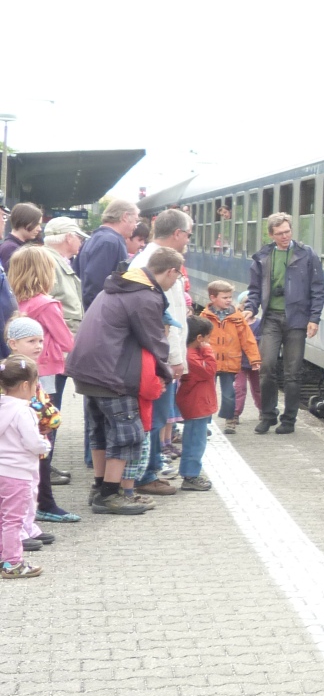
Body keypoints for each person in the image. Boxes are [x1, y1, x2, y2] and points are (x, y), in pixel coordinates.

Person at [64, 249, 183, 515]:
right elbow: (154, 341)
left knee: (99, 432)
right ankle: (110, 495)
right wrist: (164, 374)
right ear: (171, 271)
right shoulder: (144, 295)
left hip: (87, 370)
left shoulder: (118, 286)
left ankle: (99, 487)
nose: (175, 282)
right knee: (126, 435)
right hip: (113, 374)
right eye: (177, 278)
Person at [129, 209, 192, 496]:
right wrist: (176, 359)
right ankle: (146, 474)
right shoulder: (158, 263)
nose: (188, 240)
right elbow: (167, 319)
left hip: (155, 353)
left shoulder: (147, 258)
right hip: (159, 356)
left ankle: (150, 468)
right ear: (177, 233)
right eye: (188, 234)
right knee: (155, 417)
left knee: (156, 416)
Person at [243, 213, 324, 435]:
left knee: (293, 372)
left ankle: (289, 420)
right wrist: (250, 308)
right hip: (271, 318)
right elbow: (254, 289)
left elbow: (318, 289)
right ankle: (268, 415)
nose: (285, 236)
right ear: (271, 235)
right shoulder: (263, 257)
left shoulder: (306, 254)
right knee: (266, 366)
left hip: (297, 319)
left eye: (287, 231)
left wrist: (314, 318)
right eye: (279, 233)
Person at [8, 246, 75, 504]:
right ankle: (44, 499)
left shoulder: (15, 302)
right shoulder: (47, 304)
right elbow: (66, 341)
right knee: (46, 428)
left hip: (19, 371)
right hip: (46, 373)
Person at [4, 316, 75, 525]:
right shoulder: (12, 372)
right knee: (25, 481)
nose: (38, 346)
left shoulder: (30, 367)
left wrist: (50, 417)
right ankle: (41, 509)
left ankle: (39, 510)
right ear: (13, 343)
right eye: (31, 341)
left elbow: (41, 399)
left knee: (38, 473)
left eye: (41, 341)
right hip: (20, 439)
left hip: (37, 432)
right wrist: (44, 417)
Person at [0, 354, 51, 579]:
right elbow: (32, 443)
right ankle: (12, 563)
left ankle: (4, 557)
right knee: (13, 520)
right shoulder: (23, 411)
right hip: (17, 474)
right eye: (35, 383)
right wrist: (45, 445)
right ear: (24, 385)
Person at [202, 280, 261, 435]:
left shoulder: (237, 318)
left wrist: (254, 359)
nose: (229, 300)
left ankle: (230, 421)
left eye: (230, 297)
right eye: (225, 297)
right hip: (210, 362)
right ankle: (205, 423)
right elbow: (198, 339)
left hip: (230, 362)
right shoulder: (204, 317)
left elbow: (247, 339)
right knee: (207, 395)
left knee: (229, 394)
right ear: (213, 298)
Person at [174, 316, 218, 490]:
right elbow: (210, 370)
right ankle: (190, 475)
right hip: (196, 404)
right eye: (208, 337)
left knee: (196, 440)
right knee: (195, 442)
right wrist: (207, 350)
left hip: (199, 403)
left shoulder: (192, 353)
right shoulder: (191, 356)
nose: (209, 341)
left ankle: (191, 473)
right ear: (199, 338)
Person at [78, 199, 141, 311]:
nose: (136, 226)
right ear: (125, 216)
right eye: (135, 220)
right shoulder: (110, 242)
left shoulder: (94, 239)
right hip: (102, 313)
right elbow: (96, 284)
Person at [40, 217, 86, 333]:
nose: (81, 242)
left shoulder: (49, 260)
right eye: (79, 237)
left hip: (62, 336)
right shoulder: (46, 262)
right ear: (69, 238)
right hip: (58, 337)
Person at [0, 203, 43, 272]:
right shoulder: (10, 249)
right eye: (36, 224)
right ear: (24, 221)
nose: (39, 229)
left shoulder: (16, 246)